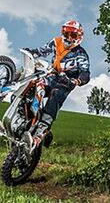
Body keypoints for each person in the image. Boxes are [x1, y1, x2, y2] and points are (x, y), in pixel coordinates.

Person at [23, 20, 90, 152]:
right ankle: (23, 114)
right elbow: (41, 51)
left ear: (79, 37)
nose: (69, 38)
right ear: (63, 33)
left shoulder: (81, 54)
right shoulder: (56, 42)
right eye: (67, 34)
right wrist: (31, 52)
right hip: (51, 75)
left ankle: (42, 129)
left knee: (56, 94)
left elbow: (85, 73)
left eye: (73, 35)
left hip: (66, 82)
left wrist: (76, 81)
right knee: (34, 84)